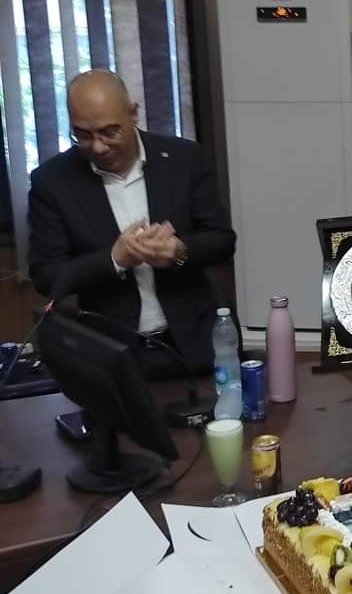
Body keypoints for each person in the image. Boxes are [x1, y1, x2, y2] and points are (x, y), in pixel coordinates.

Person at [28, 70, 237, 378]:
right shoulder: (52, 181)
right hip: (112, 354)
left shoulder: (184, 158)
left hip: (195, 344)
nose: (98, 147)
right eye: (83, 135)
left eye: (109, 132)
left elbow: (222, 241)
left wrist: (179, 251)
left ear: (133, 113)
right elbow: (47, 276)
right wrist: (113, 259)